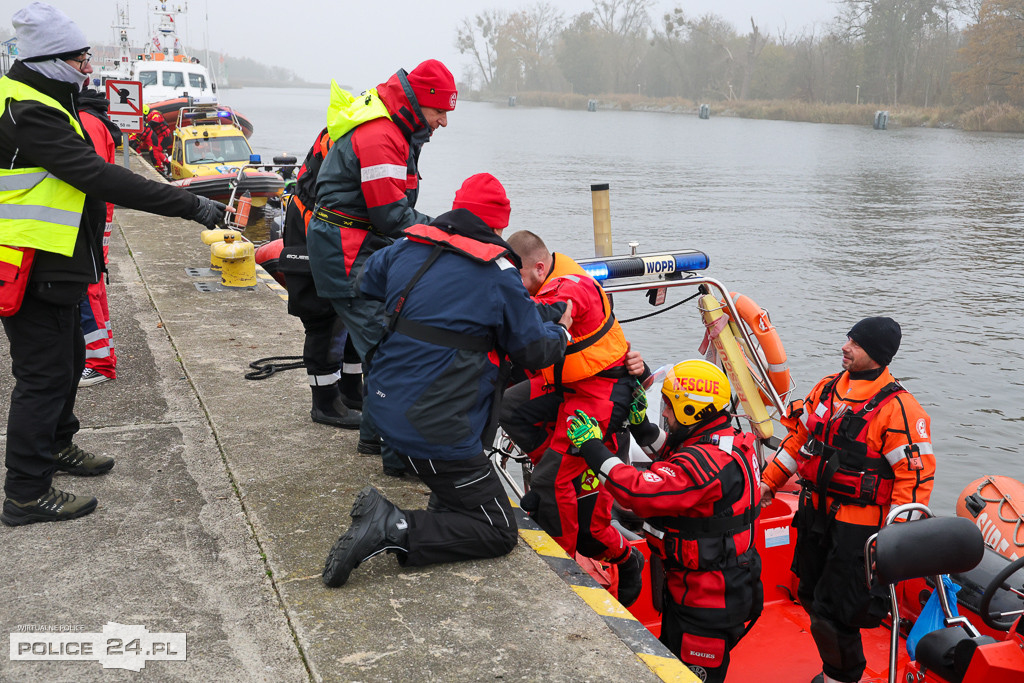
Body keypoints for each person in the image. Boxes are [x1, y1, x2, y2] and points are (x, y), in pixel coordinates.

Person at [0, 2, 228, 526]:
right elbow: (97, 176)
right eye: (79, 57)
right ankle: (26, 493)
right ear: (51, 59)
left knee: (71, 355)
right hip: (32, 262)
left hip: (58, 258)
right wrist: (189, 204)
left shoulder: (44, 101)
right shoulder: (29, 112)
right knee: (43, 375)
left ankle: (58, 445)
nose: (87, 66)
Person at [321, 173, 572, 587]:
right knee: (498, 530)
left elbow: (369, 283)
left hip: (384, 407)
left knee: (458, 491)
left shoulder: (408, 246)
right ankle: (392, 526)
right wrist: (560, 329)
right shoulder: (497, 273)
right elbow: (533, 351)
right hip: (436, 429)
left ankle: (437, 515)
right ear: (495, 227)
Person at [758, 316, 935, 683]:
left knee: (834, 611)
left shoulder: (899, 409)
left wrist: (895, 541)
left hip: (859, 529)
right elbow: (797, 443)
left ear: (876, 354)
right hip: (813, 515)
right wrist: (768, 484)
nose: (845, 346)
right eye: (848, 338)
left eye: (855, 343)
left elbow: (914, 482)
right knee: (807, 593)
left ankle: (842, 675)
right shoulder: (826, 390)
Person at [565, 359, 763, 683]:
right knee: (671, 659)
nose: (665, 414)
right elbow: (676, 458)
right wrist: (641, 426)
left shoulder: (707, 463)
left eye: (669, 407)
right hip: (704, 585)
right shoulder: (723, 439)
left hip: (708, 600)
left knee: (693, 676)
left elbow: (639, 493)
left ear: (689, 410)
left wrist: (592, 448)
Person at [307, 59, 456, 478]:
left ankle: (375, 437)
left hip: (357, 250)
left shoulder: (394, 128)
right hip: (348, 255)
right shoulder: (381, 136)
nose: (443, 122)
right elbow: (392, 216)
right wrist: (448, 233)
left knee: (384, 347)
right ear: (420, 103)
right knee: (394, 354)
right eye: (440, 112)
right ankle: (397, 456)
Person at [498, 229, 645, 606]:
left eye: (520, 278)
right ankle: (556, 471)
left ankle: (567, 565)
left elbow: (560, 306)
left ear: (540, 267)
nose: (520, 288)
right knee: (511, 408)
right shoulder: (547, 280)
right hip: (570, 388)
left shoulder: (568, 288)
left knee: (555, 488)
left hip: (600, 394)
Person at [278, 127, 363, 427]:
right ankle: (325, 402)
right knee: (322, 316)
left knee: (353, 311)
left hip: (328, 226)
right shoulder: (361, 136)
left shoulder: (358, 130)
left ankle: (351, 390)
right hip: (314, 226)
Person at [77, 86, 121, 387]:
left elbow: (88, 175)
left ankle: (100, 362)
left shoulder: (85, 122)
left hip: (90, 215)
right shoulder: (96, 121)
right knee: (93, 286)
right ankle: (103, 355)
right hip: (98, 213)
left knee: (87, 287)